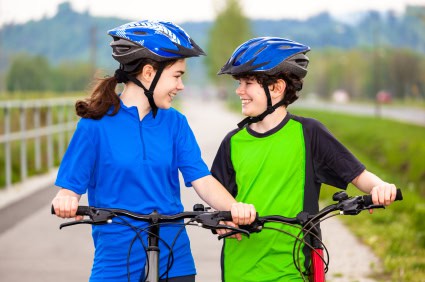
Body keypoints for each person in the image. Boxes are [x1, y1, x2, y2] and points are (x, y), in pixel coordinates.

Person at [51, 20, 256, 282]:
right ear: (149, 73)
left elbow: (202, 180)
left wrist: (235, 208)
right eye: (177, 75)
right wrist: (65, 199)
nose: (180, 86)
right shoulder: (94, 126)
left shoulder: (175, 123)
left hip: (174, 256)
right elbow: (69, 188)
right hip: (115, 260)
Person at [210, 37, 398, 281]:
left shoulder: (309, 133)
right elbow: (218, 198)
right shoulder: (232, 142)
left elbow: (358, 176)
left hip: (294, 269)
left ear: (276, 88)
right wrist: (222, 220)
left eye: (247, 82)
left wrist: (381, 188)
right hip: (240, 270)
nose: (239, 91)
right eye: (239, 83)